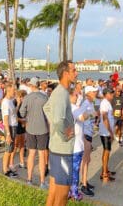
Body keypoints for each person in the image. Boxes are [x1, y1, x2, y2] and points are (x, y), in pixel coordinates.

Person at [43, 61, 78, 206]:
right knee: (63, 195)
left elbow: (46, 108)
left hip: (56, 149)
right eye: (74, 70)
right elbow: (57, 121)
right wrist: (66, 135)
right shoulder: (61, 94)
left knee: (53, 191)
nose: (77, 73)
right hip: (62, 151)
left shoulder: (59, 92)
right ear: (65, 73)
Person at [98, 87, 117, 183]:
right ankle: (104, 174)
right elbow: (105, 118)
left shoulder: (107, 102)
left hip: (106, 131)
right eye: (111, 93)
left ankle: (105, 170)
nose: (112, 95)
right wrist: (110, 132)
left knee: (107, 151)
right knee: (106, 152)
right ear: (106, 94)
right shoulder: (104, 103)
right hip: (106, 132)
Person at [1, 86, 19, 177]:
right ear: (8, 91)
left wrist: (18, 104)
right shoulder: (5, 103)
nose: (15, 92)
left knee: (11, 149)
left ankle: (7, 167)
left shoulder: (10, 101)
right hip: (10, 127)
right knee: (8, 149)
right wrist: (8, 134)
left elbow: (14, 113)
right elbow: (6, 119)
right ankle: (5, 170)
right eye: (13, 90)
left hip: (13, 126)